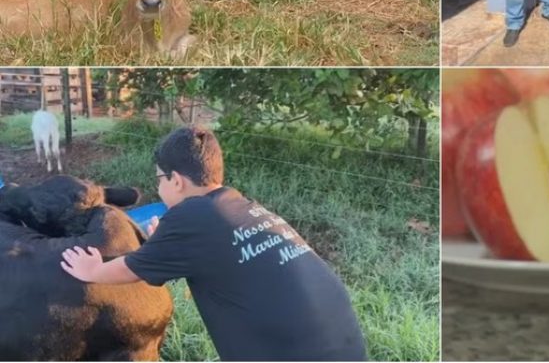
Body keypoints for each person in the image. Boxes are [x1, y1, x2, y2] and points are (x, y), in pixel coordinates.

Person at [60, 126, 367, 362]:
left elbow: (131, 269)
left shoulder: (190, 215)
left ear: (176, 180)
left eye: (159, 180)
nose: (159, 187)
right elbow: (207, 249)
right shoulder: (242, 207)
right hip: (343, 344)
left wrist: (94, 270)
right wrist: (162, 243)